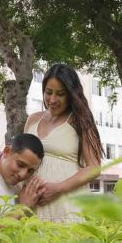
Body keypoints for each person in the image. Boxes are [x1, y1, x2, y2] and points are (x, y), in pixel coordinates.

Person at [25, 63, 103, 222]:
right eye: (48, 92)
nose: (52, 99)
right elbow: (19, 155)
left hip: (67, 205)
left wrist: (58, 188)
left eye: (60, 94)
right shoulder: (33, 119)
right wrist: (2, 157)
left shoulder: (81, 122)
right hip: (32, 205)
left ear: (71, 95)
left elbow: (94, 167)